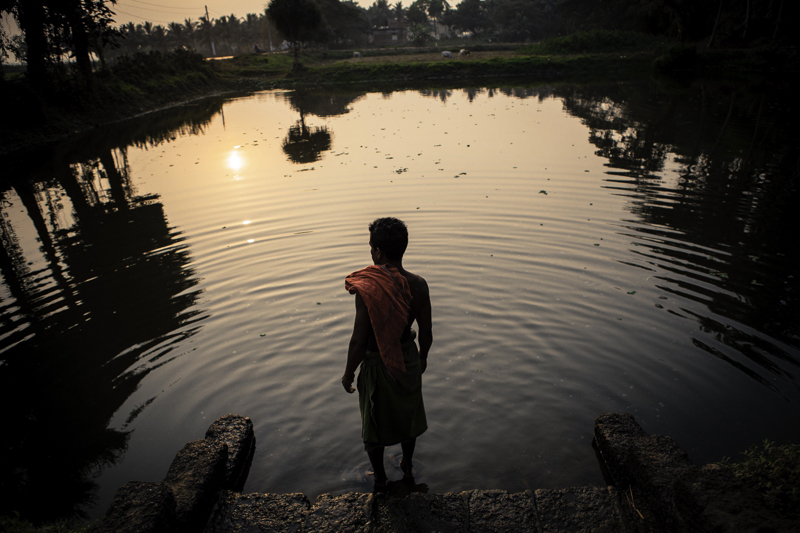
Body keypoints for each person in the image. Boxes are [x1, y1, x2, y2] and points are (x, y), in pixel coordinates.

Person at [342, 217, 432, 491]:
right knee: (408, 413)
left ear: (378, 252)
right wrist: (422, 357)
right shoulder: (418, 284)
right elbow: (426, 331)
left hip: (377, 362)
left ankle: (379, 477)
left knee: (373, 421)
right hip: (407, 358)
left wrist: (348, 373)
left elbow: (359, 340)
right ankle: (407, 463)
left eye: (371, 247)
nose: (370, 252)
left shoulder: (369, 289)